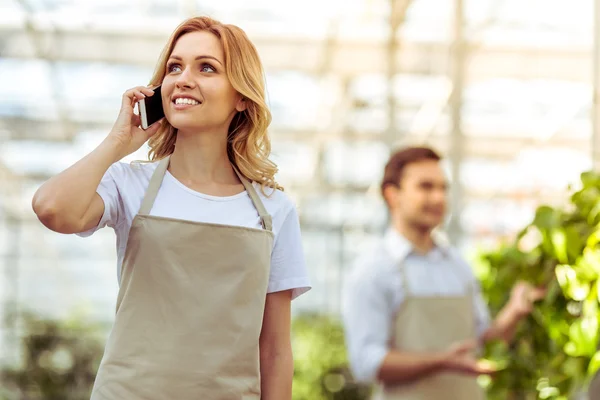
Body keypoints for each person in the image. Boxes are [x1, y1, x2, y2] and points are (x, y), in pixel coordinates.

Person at [32, 16, 311, 400]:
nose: (183, 78)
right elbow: (51, 209)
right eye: (174, 67)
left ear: (242, 97)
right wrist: (117, 142)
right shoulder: (129, 183)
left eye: (207, 68)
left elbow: (276, 351)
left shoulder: (272, 209)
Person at [341, 146, 545, 400]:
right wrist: (443, 361)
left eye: (443, 188)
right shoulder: (374, 269)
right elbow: (366, 362)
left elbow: (482, 342)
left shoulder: (457, 265)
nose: (438, 197)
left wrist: (514, 310)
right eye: (426, 187)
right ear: (392, 195)